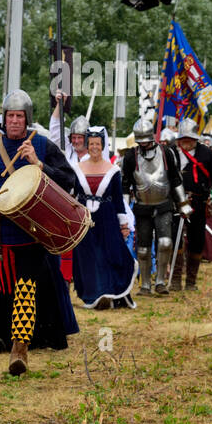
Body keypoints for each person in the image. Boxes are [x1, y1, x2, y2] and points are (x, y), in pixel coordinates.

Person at [0, 91, 79, 375]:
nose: (14, 121)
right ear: (4, 117)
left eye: (19, 116)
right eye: (10, 116)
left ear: (27, 118)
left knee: (25, 289)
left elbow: (68, 181)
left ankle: (19, 350)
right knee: (3, 290)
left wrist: (38, 163)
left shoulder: (42, 145)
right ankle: (1, 336)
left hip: (31, 233)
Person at [120, 117, 189, 294]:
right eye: (140, 142)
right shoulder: (130, 157)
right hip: (142, 206)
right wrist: (124, 212)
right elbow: (125, 185)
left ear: (152, 138)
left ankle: (159, 282)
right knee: (143, 248)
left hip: (164, 204)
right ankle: (145, 284)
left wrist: (183, 203)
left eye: (146, 141)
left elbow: (175, 180)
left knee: (165, 242)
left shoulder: (167, 153)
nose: (143, 145)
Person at [70, 127, 136, 309]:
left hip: (107, 219)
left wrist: (124, 225)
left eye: (97, 144)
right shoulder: (77, 169)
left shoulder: (113, 170)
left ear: (102, 146)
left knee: (110, 254)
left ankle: (111, 291)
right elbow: (72, 196)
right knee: (88, 257)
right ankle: (93, 295)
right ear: (87, 145)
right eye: (91, 144)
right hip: (85, 220)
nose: (94, 147)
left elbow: (118, 200)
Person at [173, 118, 212, 289]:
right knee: (175, 239)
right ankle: (174, 280)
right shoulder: (171, 152)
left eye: (189, 139)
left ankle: (190, 281)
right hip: (175, 201)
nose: (186, 142)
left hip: (198, 201)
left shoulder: (207, 154)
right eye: (183, 139)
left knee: (197, 240)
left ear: (195, 138)